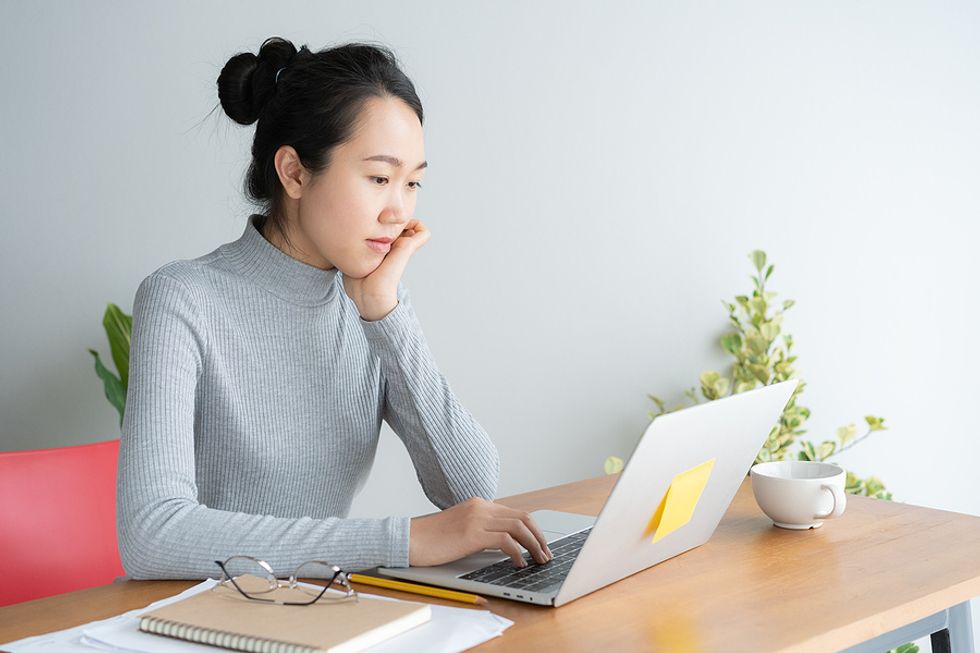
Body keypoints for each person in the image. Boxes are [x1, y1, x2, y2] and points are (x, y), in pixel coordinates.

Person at [116, 36, 553, 580]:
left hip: (314, 608)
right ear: (295, 173)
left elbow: (470, 491)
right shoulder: (182, 298)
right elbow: (153, 536)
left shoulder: (374, 305)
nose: (399, 210)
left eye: (413, 182)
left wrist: (385, 317)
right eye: (378, 178)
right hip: (196, 615)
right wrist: (401, 540)